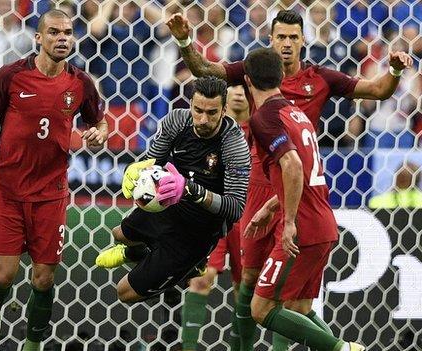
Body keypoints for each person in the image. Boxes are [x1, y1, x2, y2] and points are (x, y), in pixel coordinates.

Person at [166, 9, 413, 350]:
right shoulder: (258, 69)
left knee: (287, 300)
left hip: (295, 185)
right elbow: (205, 70)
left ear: (302, 41)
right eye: (280, 37)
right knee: (249, 281)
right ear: (271, 39)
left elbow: (377, 90)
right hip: (258, 185)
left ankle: (333, 347)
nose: (286, 44)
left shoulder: (319, 79)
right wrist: (184, 40)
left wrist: (396, 70)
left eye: (292, 38)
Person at [0, 9, 108, 351]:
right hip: (8, 189)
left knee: (44, 278)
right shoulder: (10, 76)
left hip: (51, 193)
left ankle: (32, 345)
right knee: (3, 276)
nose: (63, 39)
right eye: (55, 32)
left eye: (68, 32)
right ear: (38, 38)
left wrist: (98, 135)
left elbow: (98, 123)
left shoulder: (80, 82)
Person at [95, 76, 251, 351]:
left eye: (211, 113)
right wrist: (137, 170)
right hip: (167, 207)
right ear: (190, 104)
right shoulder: (177, 121)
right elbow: (154, 159)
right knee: (119, 233)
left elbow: (235, 208)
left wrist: (190, 190)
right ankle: (140, 254)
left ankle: (185, 265)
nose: (202, 119)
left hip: (196, 233)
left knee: (124, 292)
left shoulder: (233, 145)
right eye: (198, 110)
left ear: (224, 110)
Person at [244, 47, 365, 351]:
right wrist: (269, 208)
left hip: (304, 228)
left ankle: (342, 349)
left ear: (247, 81)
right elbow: (302, 169)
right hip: (322, 223)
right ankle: (344, 348)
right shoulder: (295, 112)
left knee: (261, 309)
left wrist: (287, 222)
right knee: (299, 309)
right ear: (281, 77)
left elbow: (294, 166)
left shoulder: (264, 119)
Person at [185, 85, 249, 350]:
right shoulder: (207, 127)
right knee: (201, 278)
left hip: (246, 214)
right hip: (210, 211)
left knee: (243, 287)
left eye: (243, 88)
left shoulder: (261, 127)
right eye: (232, 87)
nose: (237, 92)